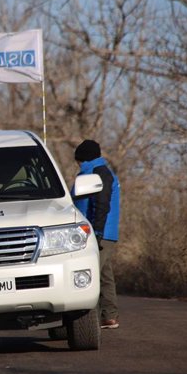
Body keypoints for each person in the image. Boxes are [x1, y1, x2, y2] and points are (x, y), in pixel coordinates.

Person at [73, 139, 121, 330]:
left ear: (83, 159)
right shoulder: (97, 171)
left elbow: (102, 204)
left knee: (90, 275)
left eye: (78, 161)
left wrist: (98, 231)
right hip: (102, 233)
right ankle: (109, 316)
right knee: (104, 274)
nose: (77, 164)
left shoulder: (99, 174)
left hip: (99, 233)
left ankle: (87, 321)